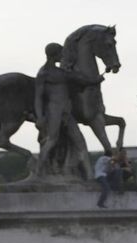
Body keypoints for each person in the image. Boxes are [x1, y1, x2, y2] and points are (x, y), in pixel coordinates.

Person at [34, 42, 104, 179]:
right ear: (54, 55)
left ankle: (90, 175)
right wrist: (40, 117)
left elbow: (80, 79)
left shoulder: (60, 72)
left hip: (66, 111)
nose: (62, 56)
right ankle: (38, 172)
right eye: (60, 53)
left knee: (80, 141)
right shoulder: (44, 74)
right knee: (51, 140)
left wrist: (95, 80)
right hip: (54, 110)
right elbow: (38, 97)